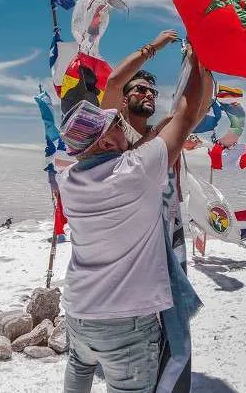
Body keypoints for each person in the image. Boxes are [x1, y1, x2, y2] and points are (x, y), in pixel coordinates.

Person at [58, 46, 207, 393]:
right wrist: (199, 57)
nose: (119, 127)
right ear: (108, 139)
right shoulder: (136, 171)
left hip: (79, 314)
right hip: (127, 322)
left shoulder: (69, 180)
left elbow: (172, 122)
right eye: (112, 125)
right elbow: (185, 115)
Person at [102, 32, 213, 393]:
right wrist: (155, 47)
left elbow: (196, 107)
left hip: (168, 241)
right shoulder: (110, 134)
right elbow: (114, 81)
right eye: (139, 90)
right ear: (124, 99)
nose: (147, 95)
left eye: (152, 92)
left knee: (174, 328)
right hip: (126, 250)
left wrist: (202, 60)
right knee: (136, 333)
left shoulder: (164, 134)